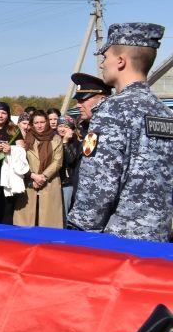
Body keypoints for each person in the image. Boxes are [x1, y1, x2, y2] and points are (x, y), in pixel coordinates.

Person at [68, 23, 173, 241]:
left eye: (105, 57)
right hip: (159, 240)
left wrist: (76, 233)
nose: (102, 65)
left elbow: (97, 187)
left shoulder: (112, 110)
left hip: (118, 245)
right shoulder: (165, 113)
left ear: (121, 61)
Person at [64, 72, 111, 213]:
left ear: (102, 99)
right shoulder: (84, 127)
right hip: (81, 201)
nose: (78, 106)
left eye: (82, 101)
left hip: (102, 208)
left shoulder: (112, 128)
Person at [13, 110, 64, 228]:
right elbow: (21, 161)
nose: (39, 125)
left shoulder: (55, 138)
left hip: (49, 182)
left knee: (49, 221)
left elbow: (58, 161)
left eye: (42, 122)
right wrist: (33, 177)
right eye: (36, 122)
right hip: (29, 181)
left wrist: (43, 177)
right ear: (32, 124)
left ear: (47, 122)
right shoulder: (26, 138)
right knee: (26, 221)